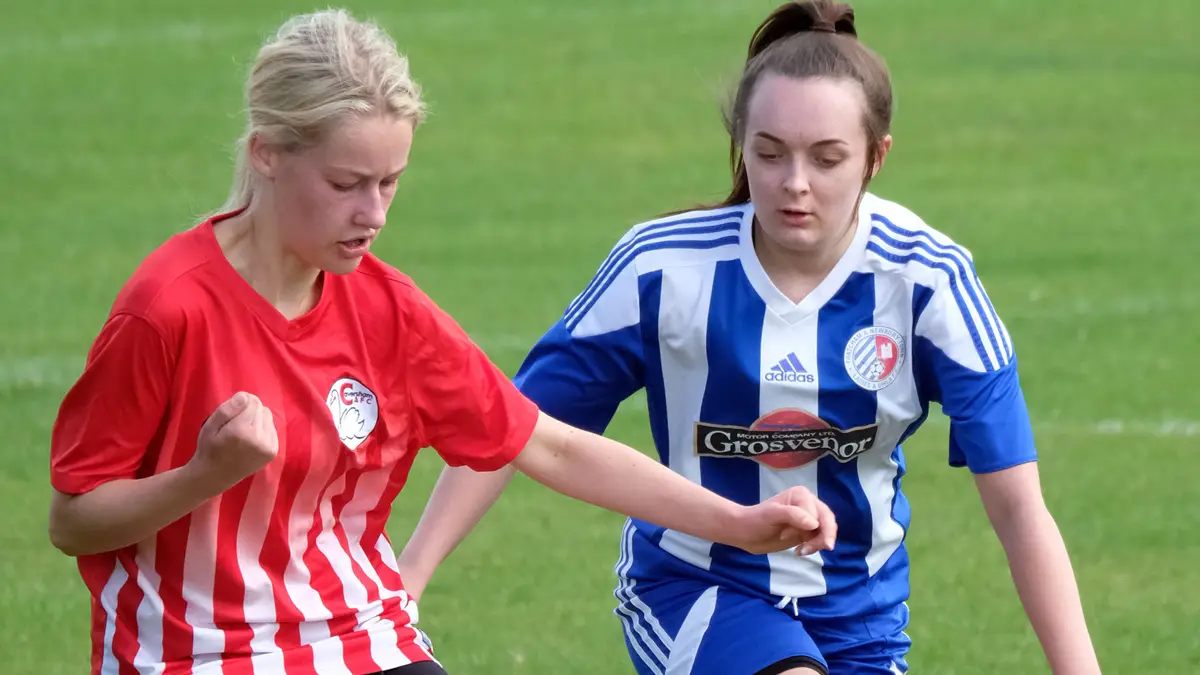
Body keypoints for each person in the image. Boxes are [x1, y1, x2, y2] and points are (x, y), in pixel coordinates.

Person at [45, 9, 839, 675]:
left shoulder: (388, 310)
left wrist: (739, 521)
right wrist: (204, 475)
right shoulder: (167, 308)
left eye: (389, 182)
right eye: (347, 183)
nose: (374, 213)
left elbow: (550, 447)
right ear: (267, 153)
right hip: (193, 653)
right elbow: (75, 519)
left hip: (358, 636)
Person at [396, 1, 1103, 674]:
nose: (794, 184)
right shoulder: (663, 270)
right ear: (740, 144)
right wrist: (407, 583)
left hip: (861, 612)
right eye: (769, 154)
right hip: (693, 587)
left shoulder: (931, 283)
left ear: (875, 157)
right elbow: (513, 429)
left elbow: (1016, 502)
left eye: (827, 159)